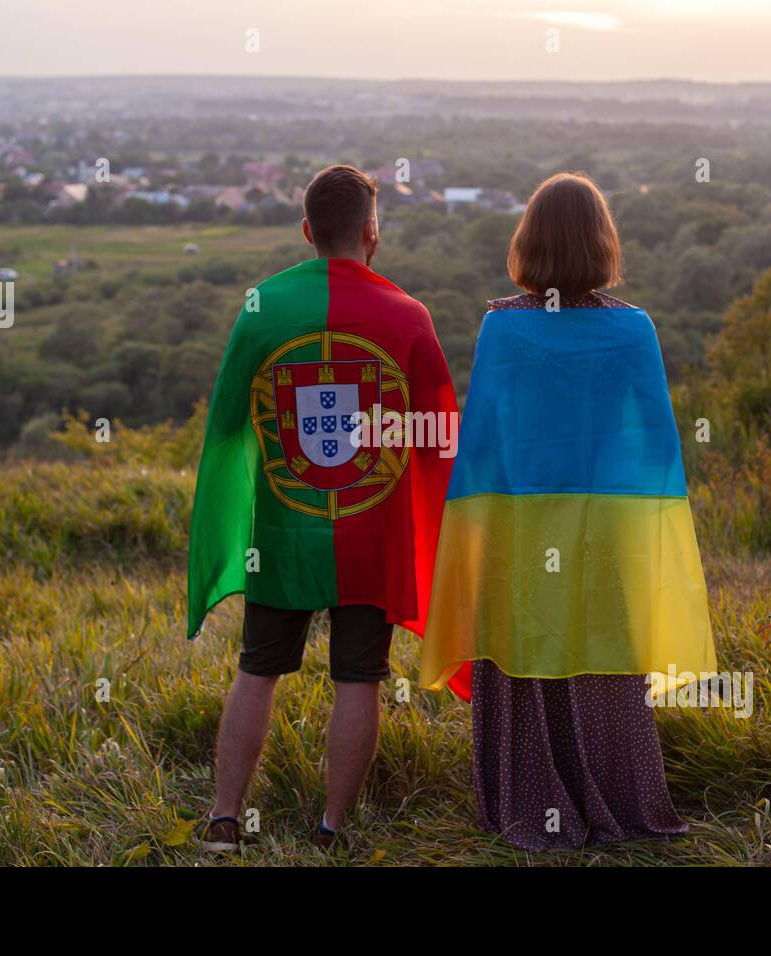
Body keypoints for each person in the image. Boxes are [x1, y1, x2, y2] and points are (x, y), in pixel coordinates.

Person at [421, 172, 718, 851]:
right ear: (601, 243)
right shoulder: (632, 329)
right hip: (602, 530)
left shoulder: (502, 328)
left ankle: (531, 800)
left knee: (525, 651)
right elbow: (653, 443)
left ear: (529, 244)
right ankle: (617, 797)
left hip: (520, 530)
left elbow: (485, 445)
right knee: (604, 655)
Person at [188, 164, 457, 852]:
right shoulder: (408, 315)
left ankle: (224, 818)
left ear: (307, 231)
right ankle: (332, 828)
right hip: (371, 535)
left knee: (258, 668)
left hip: (282, 530)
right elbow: (438, 435)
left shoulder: (262, 306)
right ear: (373, 233)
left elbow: (225, 426)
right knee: (359, 678)